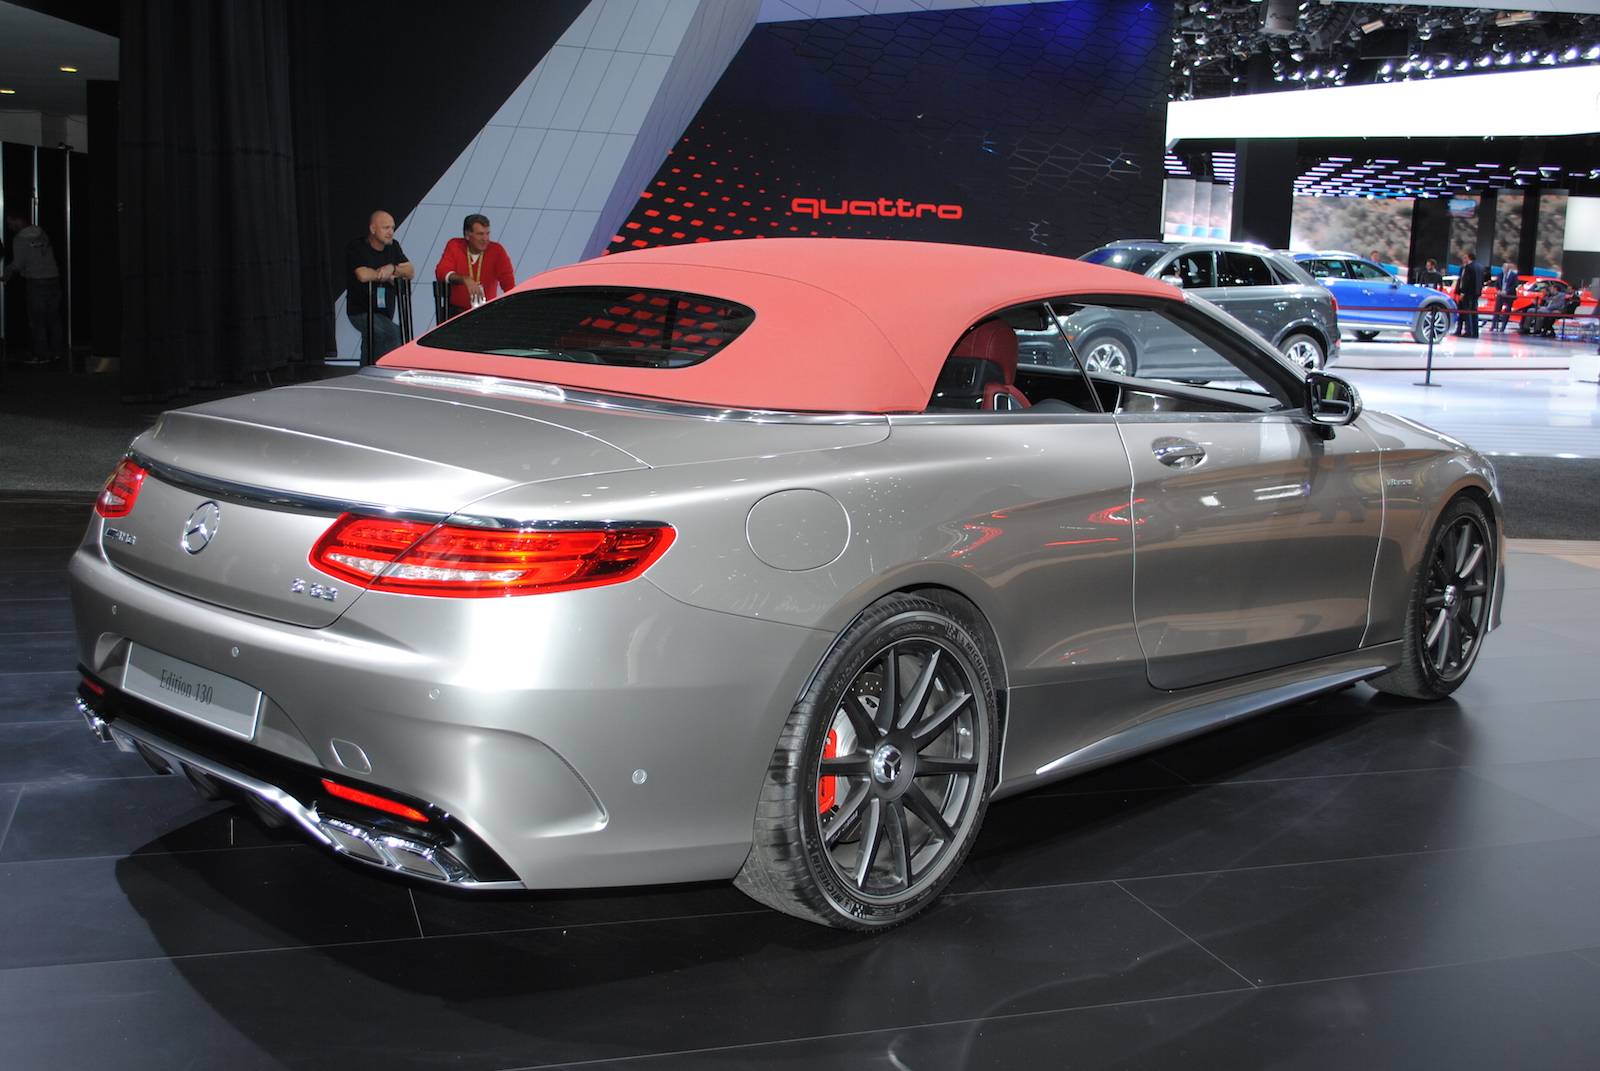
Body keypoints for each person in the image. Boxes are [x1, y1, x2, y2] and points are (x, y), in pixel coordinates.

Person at [346, 210, 414, 362]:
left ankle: (365, 373)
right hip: (361, 311)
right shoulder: (357, 246)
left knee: (371, 347)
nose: (391, 232)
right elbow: (362, 275)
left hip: (384, 313)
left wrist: (392, 268)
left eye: (392, 228)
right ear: (373, 229)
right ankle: (388, 372)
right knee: (394, 334)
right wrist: (385, 275)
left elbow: (410, 271)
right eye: (386, 228)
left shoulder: (393, 246)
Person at [0, 212, 65, 364]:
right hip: (53, 278)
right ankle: (57, 352)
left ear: (18, 220)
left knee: (37, 321)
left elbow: (18, 264)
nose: (9, 227)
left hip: (36, 281)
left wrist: (6, 272)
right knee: (54, 319)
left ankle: (42, 355)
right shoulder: (41, 232)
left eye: (10, 222)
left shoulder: (19, 239)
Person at [434, 213, 515, 317]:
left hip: (487, 313)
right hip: (457, 315)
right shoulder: (455, 245)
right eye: (480, 234)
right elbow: (441, 271)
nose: (485, 239)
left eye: (487, 233)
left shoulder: (497, 250)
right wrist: (464, 279)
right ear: (467, 235)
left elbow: (508, 283)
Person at [1455, 250, 1484, 338]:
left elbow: (1466, 281)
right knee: (1474, 313)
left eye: (1465, 257)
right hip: (1476, 293)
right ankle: (1475, 332)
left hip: (1468, 294)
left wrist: (1463, 292)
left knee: (1467, 313)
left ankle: (1469, 332)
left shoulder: (1469, 267)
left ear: (1468, 258)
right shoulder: (1480, 267)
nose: (1463, 259)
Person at [1492, 262, 1520, 332]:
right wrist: (1499, 290)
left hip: (1509, 295)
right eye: (1503, 268)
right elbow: (1497, 284)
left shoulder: (1514, 275)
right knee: (1497, 310)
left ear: (1508, 269)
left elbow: (1515, 285)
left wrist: (1506, 291)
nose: (1504, 269)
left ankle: (1503, 327)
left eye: (1506, 268)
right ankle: (1493, 326)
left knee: (1507, 311)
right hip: (1500, 295)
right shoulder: (1500, 275)